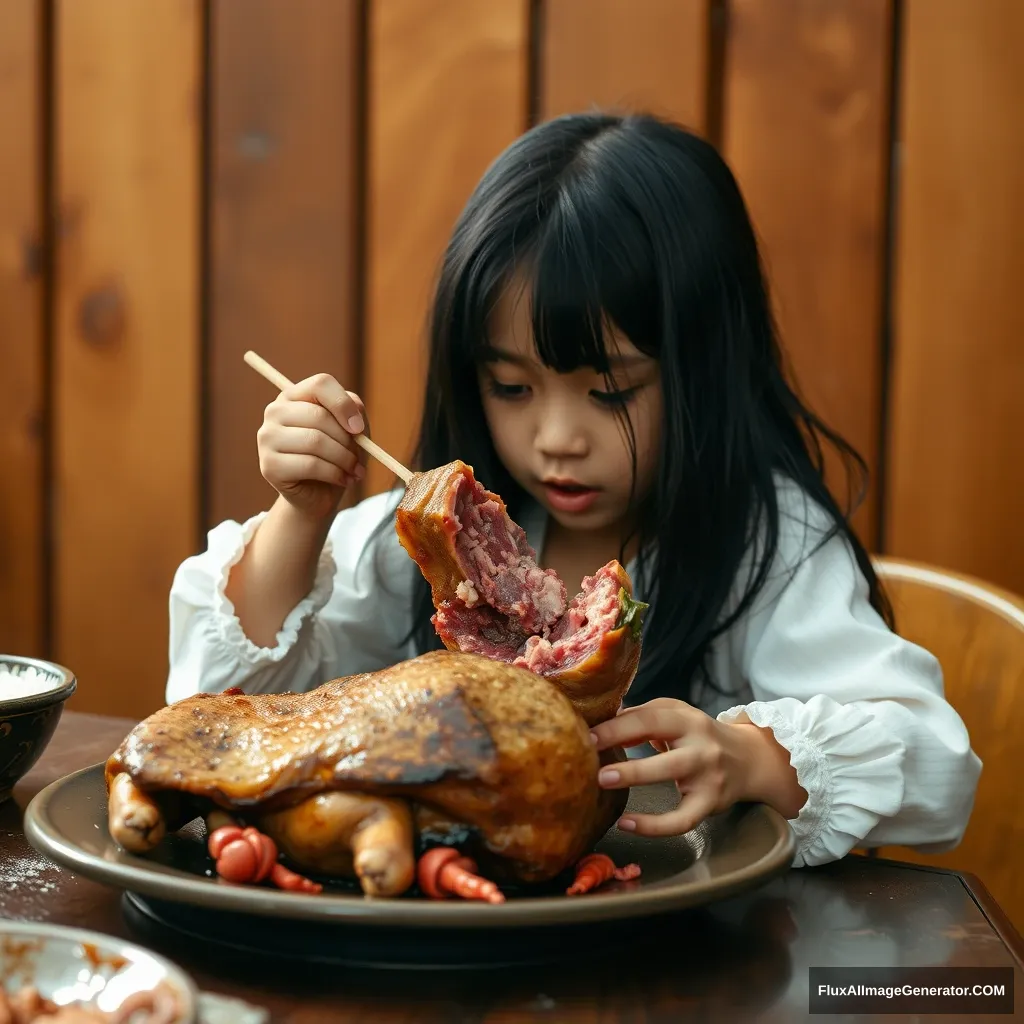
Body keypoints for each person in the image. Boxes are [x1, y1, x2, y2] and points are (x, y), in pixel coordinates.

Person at [167, 111, 981, 868]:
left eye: (611, 391)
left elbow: (937, 761)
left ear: (703, 370)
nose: (556, 439)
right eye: (512, 388)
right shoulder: (445, 538)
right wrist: (302, 515)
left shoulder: (768, 545)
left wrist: (753, 759)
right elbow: (217, 717)